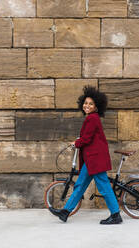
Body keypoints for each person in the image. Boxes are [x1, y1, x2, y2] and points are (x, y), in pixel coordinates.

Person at [49, 86, 122, 225]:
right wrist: (78, 141)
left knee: (104, 187)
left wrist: (76, 143)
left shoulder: (92, 119)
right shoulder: (92, 118)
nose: (87, 105)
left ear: (96, 106)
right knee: (80, 185)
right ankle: (65, 212)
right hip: (92, 160)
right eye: (85, 103)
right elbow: (89, 137)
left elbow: (86, 139)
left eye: (91, 103)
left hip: (95, 160)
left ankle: (116, 214)